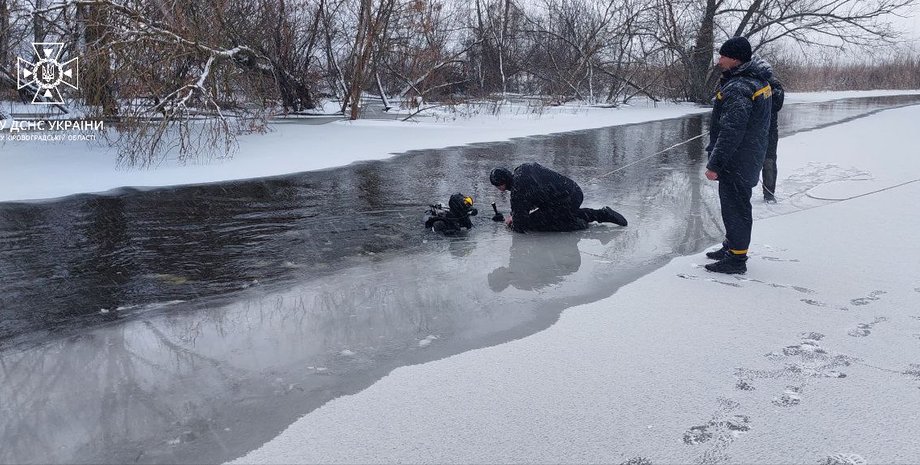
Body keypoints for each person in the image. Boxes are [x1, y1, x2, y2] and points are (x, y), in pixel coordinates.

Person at [703, 36, 773, 274]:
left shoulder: (740, 87)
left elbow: (732, 130)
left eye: (723, 56)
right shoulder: (758, 80)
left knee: (735, 208)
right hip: (750, 154)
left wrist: (715, 164)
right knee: (735, 205)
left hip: (738, 159)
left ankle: (736, 259)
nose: (719, 60)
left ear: (735, 59)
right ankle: (731, 247)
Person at [489, 162, 627, 233]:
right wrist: (514, 214)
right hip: (573, 192)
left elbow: (520, 225)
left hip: (565, 200)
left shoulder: (518, 190)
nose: (499, 189)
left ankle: (576, 223)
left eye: (497, 186)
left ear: (501, 184)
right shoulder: (522, 170)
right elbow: (529, 199)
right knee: (555, 213)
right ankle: (601, 214)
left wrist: (509, 223)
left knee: (536, 223)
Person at [760, 60, 785, 203]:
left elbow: (776, 105)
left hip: (769, 131)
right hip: (753, 132)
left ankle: (769, 193)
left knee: (768, 162)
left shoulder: (774, 85)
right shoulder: (751, 84)